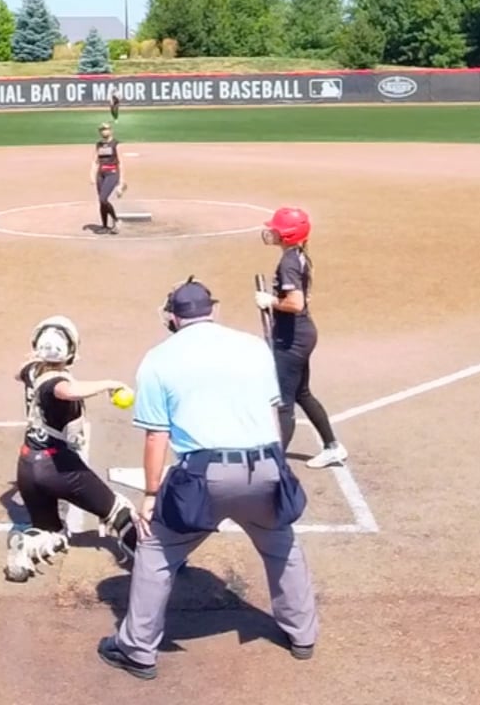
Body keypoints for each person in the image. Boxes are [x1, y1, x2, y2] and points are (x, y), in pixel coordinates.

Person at [98, 277, 320, 681]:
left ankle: (138, 650)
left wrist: (151, 495)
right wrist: (277, 468)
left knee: (156, 551)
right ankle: (302, 635)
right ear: (213, 310)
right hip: (265, 466)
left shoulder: (158, 359)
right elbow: (273, 414)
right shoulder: (254, 347)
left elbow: (156, 436)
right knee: (282, 545)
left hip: (204, 478)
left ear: (172, 317)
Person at [4, 316, 140, 583]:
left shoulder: (32, 371)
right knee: (118, 510)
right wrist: (109, 384)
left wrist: (35, 357)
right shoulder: (55, 382)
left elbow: (19, 373)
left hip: (27, 466)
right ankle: (152, 561)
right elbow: (66, 391)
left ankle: (25, 548)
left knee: (50, 532)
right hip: (57, 467)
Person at [257, 208, 346, 469]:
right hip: (301, 333)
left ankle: (275, 465)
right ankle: (332, 447)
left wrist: (271, 301)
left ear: (286, 234)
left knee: (284, 402)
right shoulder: (299, 256)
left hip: (292, 339)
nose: (271, 232)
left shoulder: (288, 262)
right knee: (302, 393)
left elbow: (296, 303)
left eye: (275, 229)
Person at [91, 122, 125, 235]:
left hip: (112, 173)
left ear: (111, 130)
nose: (104, 131)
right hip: (101, 174)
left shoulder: (116, 144)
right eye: (101, 130)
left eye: (106, 129)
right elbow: (95, 161)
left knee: (103, 199)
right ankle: (105, 226)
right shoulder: (99, 145)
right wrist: (92, 175)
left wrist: (121, 182)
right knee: (101, 202)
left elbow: (121, 163)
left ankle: (116, 220)